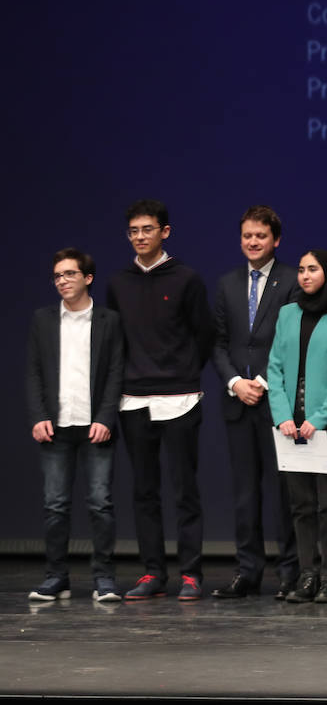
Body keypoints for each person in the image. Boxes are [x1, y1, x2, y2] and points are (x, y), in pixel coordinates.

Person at [106, 199, 215, 601]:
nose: (140, 237)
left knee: (184, 488)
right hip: (133, 400)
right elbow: (115, 340)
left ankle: (190, 573)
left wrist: (183, 372)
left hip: (180, 398)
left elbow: (204, 336)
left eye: (147, 229)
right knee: (143, 490)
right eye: (133, 231)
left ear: (165, 232)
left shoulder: (186, 279)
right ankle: (153, 572)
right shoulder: (118, 283)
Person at [210, 205, 301, 600]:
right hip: (237, 403)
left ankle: (290, 574)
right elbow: (217, 342)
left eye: (260, 236)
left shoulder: (292, 280)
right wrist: (234, 381)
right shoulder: (227, 284)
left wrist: (261, 382)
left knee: (285, 492)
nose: (253, 242)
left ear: (275, 240)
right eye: (247, 235)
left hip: (275, 402)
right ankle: (247, 572)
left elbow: (291, 340)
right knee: (245, 494)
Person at [25, 248, 124, 602]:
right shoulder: (44, 319)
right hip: (56, 426)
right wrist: (38, 415)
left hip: (95, 425)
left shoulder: (108, 320)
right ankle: (56, 576)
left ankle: (104, 578)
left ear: (87, 278)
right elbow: (34, 371)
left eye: (69, 274)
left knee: (100, 503)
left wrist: (106, 418)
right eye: (57, 276)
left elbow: (115, 372)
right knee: (55, 505)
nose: (62, 281)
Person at [267, 250, 327, 605]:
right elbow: (274, 367)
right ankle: (307, 575)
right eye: (302, 270)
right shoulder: (287, 314)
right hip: (290, 427)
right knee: (301, 505)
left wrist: (316, 420)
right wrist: (282, 416)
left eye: (313, 269)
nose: (305, 276)